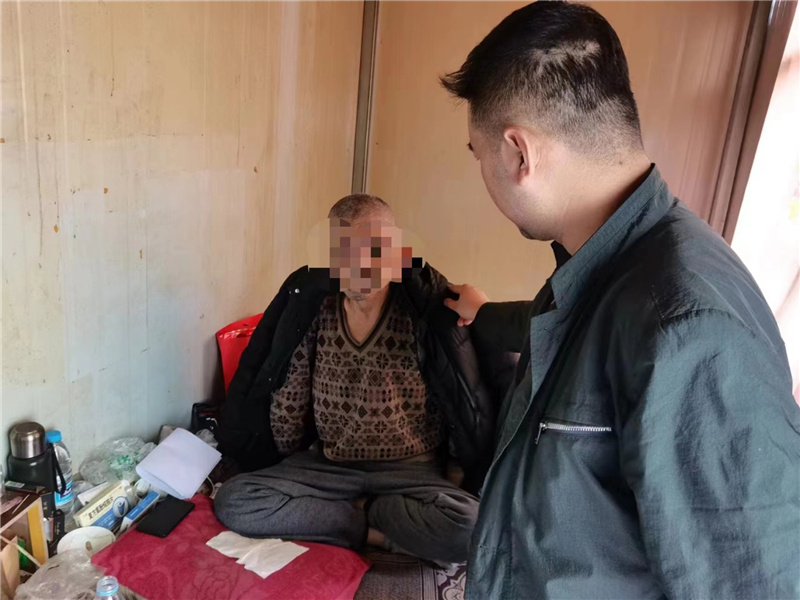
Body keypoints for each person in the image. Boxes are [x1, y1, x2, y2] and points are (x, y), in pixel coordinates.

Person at [440, 2, 800, 599]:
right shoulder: (604, 270)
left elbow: (754, 582)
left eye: (479, 156)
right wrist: (483, 314)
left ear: (519, 154)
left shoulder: (688, 325)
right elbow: (570, 341)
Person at [214, 194, 506, 565]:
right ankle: (367, 528)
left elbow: (457, 396)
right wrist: (283, 462)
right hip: (331, 465)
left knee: (473, 529)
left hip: (410, 470)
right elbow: (290, 391)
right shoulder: (315, 305)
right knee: (235, 500)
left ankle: (370, 510)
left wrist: (455, 471)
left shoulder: (425, 309)